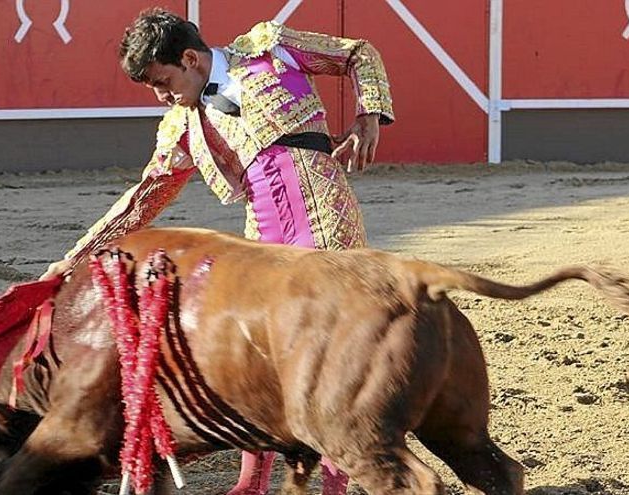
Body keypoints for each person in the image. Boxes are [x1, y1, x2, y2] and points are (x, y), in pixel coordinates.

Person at [41, 8, 394, 495]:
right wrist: (77, 256)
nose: (162, 97)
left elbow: (358, 53)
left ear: (191, 58)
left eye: (164, 82)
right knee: (257, 353)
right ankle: (252, 481)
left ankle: (335, 484)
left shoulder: (269, 48)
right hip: (261, 231)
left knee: (328, 352)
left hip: (325, 212)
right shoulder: (180, 125)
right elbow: (143, 199)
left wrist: (367, 114)